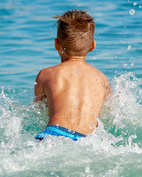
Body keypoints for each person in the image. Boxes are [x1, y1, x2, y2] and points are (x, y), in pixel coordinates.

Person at [34, 9, 110, 141]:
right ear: (92, 46)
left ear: (57, 44)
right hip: (87, 140)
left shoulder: (45, 74)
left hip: (54, 134)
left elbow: (37, 111)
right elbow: (109, 112)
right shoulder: (102, 79)